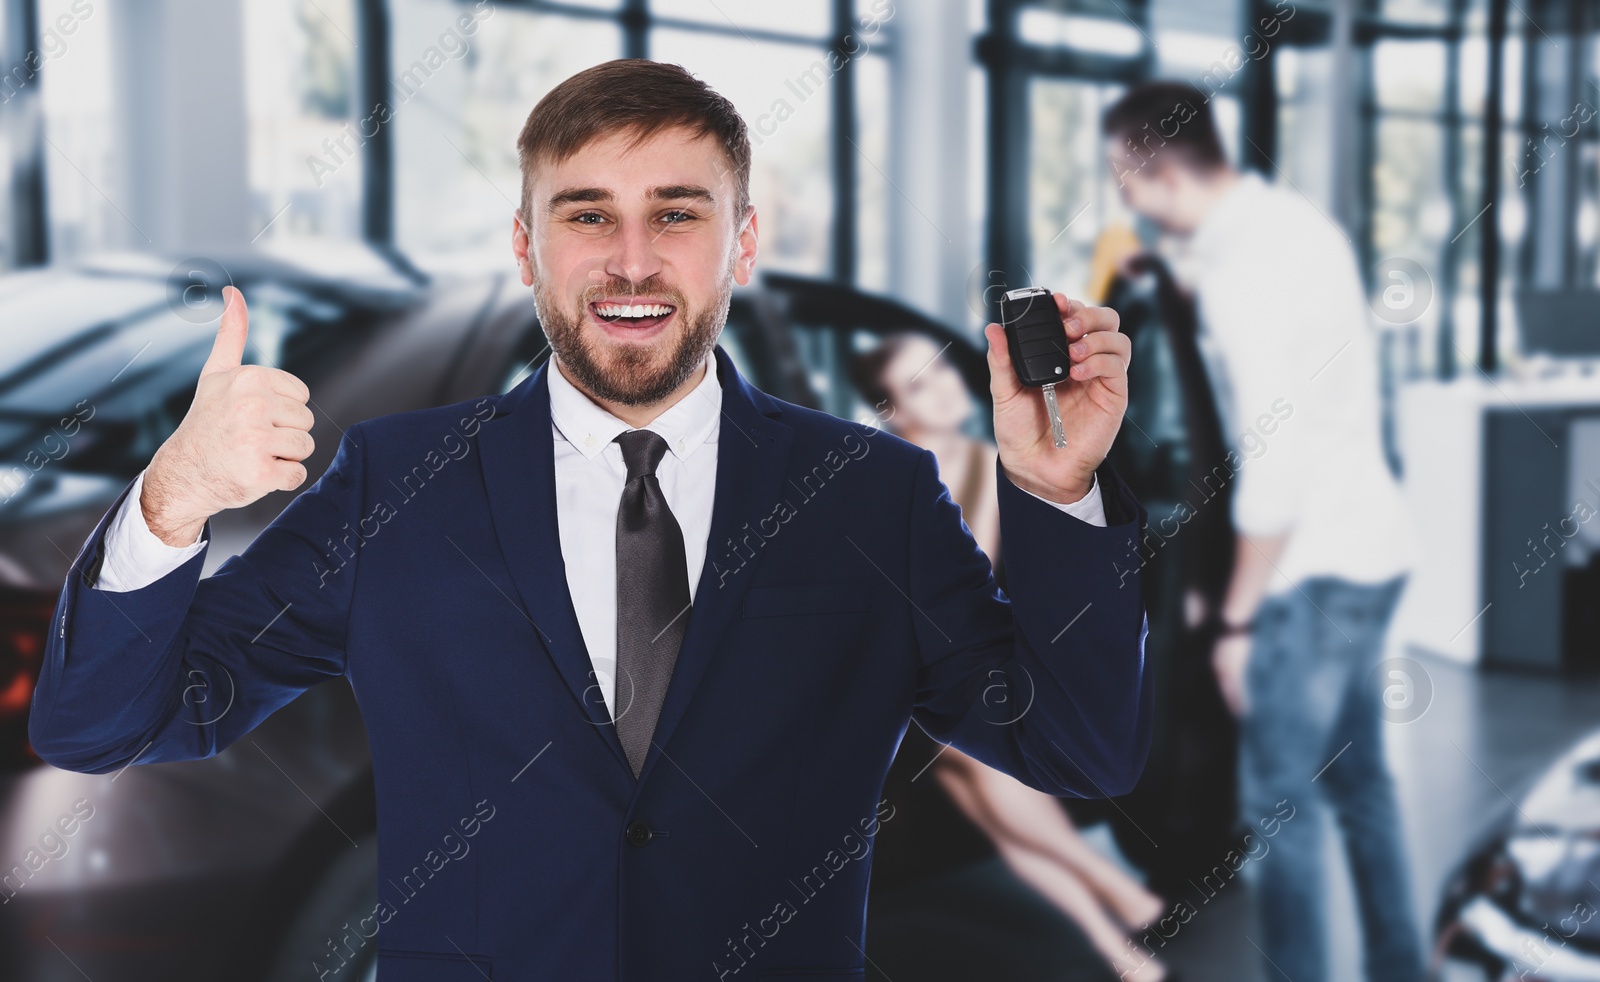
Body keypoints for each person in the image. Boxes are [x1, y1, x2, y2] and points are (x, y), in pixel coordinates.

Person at [28, 60, 1152, 979]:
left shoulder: (871, 492)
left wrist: (1056, 496)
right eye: (586, 215)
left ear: (742, 243)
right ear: (527, 247)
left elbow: (1078, 746)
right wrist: (169, 501)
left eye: (676, 213)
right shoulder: (395, 484)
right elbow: (101, 724)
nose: (630, 259)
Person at [1100, 81, 1424, 982]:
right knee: (1360, 788)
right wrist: (1167, 278)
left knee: (1282, 810)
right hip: (1372, 548)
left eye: (1121, 177)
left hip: (1307, 577)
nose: (1122, 197)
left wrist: (1237, 618)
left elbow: (1274, 473)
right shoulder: (1291, 230)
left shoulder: (1247, 273)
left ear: (1147, 164)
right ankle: (1403, 967)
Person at [852, 332, 1172, 981]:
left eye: (940, 373)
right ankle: (1112, 901)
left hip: (963, 669)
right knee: (983, 793)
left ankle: (1117, 928)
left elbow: (964, 585)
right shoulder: (881, 477)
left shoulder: (989, 460)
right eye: (918, 385)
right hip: (911, 680)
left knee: (982, 786)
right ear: (889, 407)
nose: (944, 388)